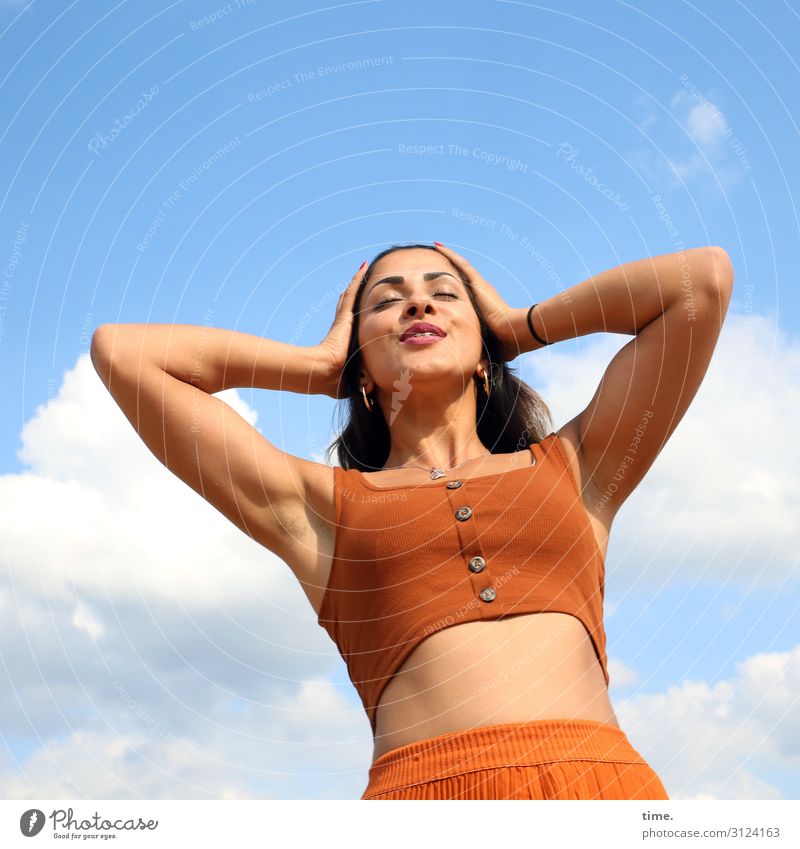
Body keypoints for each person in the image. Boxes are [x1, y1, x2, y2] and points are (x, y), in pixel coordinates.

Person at [90, 240, 734, 800]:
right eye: (386, 301)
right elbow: (123, 353)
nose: (418, 306)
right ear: (361, 372)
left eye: (445, 294)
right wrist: (319, 368)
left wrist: (521, 323)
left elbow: (699, 282)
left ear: (486, 353)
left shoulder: (580, 467)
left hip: (601, 787)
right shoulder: (317, 509)